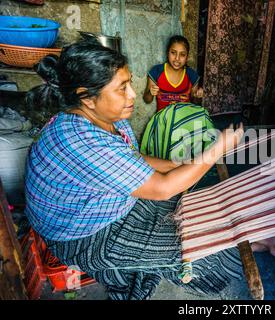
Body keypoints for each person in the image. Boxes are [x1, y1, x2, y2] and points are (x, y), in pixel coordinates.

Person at [24, 40, 244, 300]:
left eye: (129, 83)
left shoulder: (109, 120)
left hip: (105, 207)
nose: (132, 95)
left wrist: (178, 164)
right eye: (121, 88)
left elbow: (133, 159)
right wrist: (216, 150)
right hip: (84, 237)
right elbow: (162, 189)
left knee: (190, 205)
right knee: (201, 251)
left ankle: (237, 234)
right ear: (87, 97)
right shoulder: (81, 140)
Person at [143, 35, 203, 112]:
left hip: (185, 118)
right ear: (168, 53)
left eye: (182, 55)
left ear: (187, 57)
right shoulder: (157, 71)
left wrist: (197, 96)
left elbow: (195, 103)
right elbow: (147, 100)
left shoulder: (191, 75)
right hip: (163, 118)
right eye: (173, 53)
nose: (177, 58)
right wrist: (150, 92)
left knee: (199, 123)